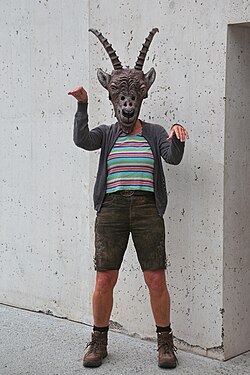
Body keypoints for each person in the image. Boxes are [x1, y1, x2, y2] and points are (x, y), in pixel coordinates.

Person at [68, 28, 189, 369]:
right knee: (105, 278)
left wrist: (177, 137)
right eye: (121, 97)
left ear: (141, 95)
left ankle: (166, 342)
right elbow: (82, 140)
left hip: (148, 210)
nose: (127, 103)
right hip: (112, 210)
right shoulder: (106, 134)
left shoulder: (152, 133)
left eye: (133, 96)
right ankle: (98, 340)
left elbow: (173, 157)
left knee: (155, 278)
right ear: (112, 98)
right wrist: (82, 106)